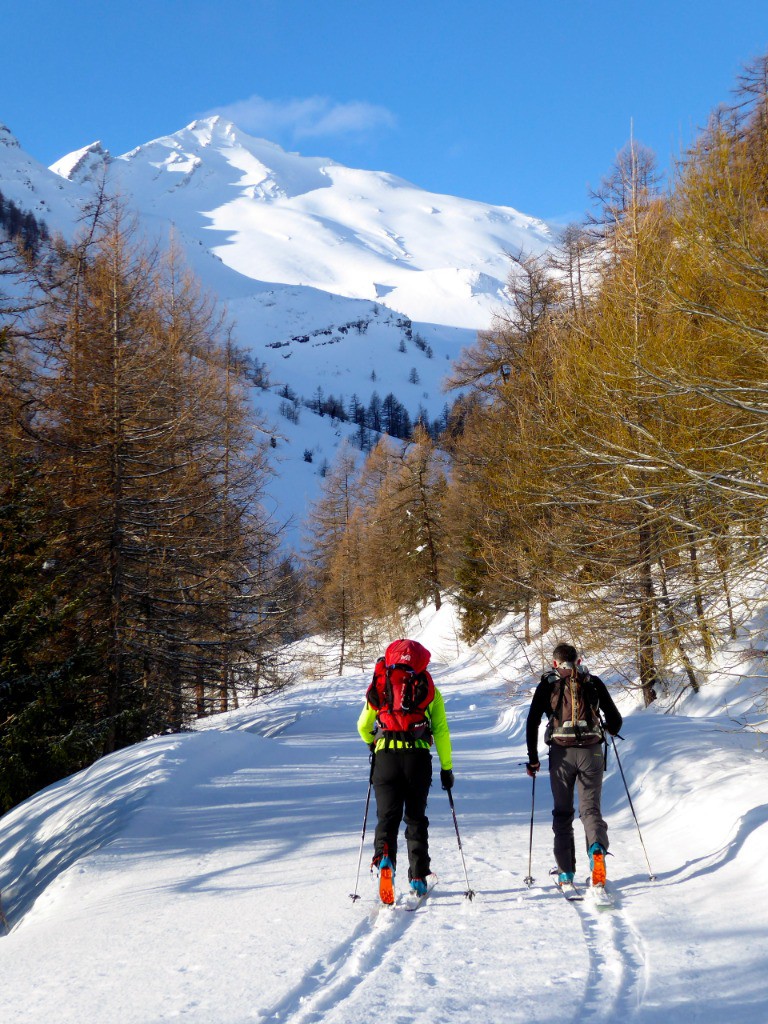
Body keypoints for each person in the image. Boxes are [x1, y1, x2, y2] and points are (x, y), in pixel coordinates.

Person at [357, 638, 453, 903]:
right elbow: (441, 731)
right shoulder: (427, 686)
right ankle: (418, 878)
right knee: (415, 818)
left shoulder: (382, 684)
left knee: (387, 818)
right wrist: (447, 768)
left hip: (385, 757)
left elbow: (363, 726)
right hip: (417, 759)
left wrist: (373, 743)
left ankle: (385, 857)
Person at [525, 642, 622, 891]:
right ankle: (597, 850)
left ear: (555, 663)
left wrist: (533, 758)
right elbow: (616, 720)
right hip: (592, 754)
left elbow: (532, 722)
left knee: (563, 813)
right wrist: (609, 729)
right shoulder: (592, 681)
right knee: (590, 810)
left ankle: (566, 873)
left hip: (561, 755)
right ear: (578, 661)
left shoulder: (548, 684)